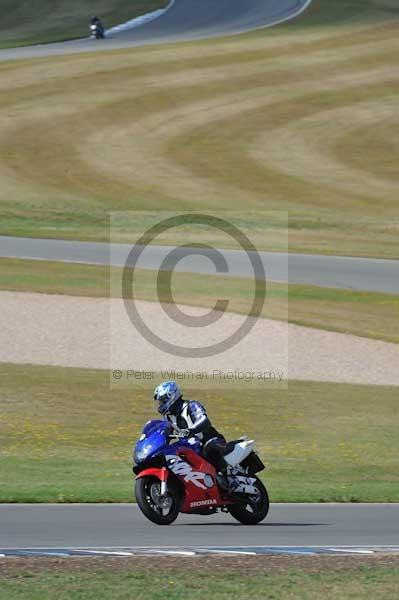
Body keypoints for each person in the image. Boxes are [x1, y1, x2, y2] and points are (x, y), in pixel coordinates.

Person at [153, 380, 232, 485]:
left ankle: (228, 479)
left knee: (210, 449)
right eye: (160, 402)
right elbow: (165, 431)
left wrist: (192, 430)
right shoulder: (168, 416)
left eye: (163, 400)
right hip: (190, 447)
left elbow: (204, 420)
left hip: (208, 440)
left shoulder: (191, 405)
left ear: (171, 395)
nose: (161, 404)